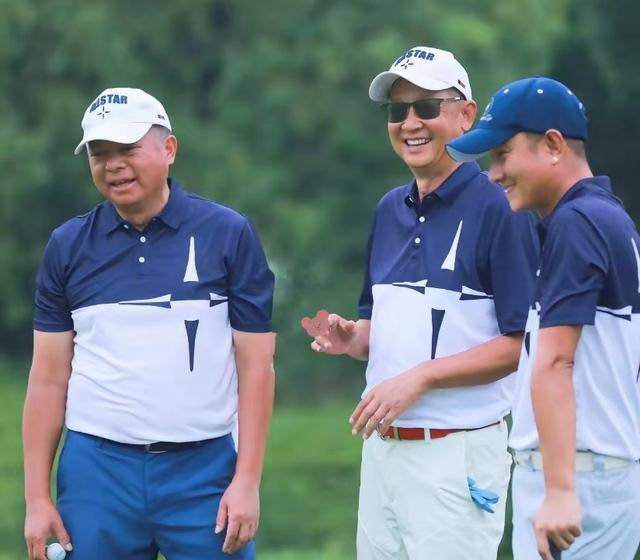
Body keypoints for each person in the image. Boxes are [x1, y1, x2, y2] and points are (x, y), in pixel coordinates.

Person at [301, 47, 538, 559]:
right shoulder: (389, 209)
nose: (410, 123)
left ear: (466, 115)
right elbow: (378, 331)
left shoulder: (501, 206)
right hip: (382, 452)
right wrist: (352, 339)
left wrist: (422, 378)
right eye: (397, 110)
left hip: (456, 452)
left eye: (427, 107)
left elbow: (521, 345)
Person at [23, 87, 275, 560]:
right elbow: (48, 377)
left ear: (169, 149)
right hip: (97, 473)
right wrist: (36, 498)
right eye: (100, 153)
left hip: (204, 469)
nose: (113, 164)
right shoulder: (68, 245)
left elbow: (256, 366)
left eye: (128, 148)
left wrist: (247, 480)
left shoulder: (228, 233)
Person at [447, 76, 640, 559]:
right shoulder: (599, 218)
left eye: (503, 155)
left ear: (553, 145)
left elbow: (556, 362)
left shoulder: (579, 223)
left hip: (579, 481)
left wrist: (559, 491)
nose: (494, 174)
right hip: (587, 475)